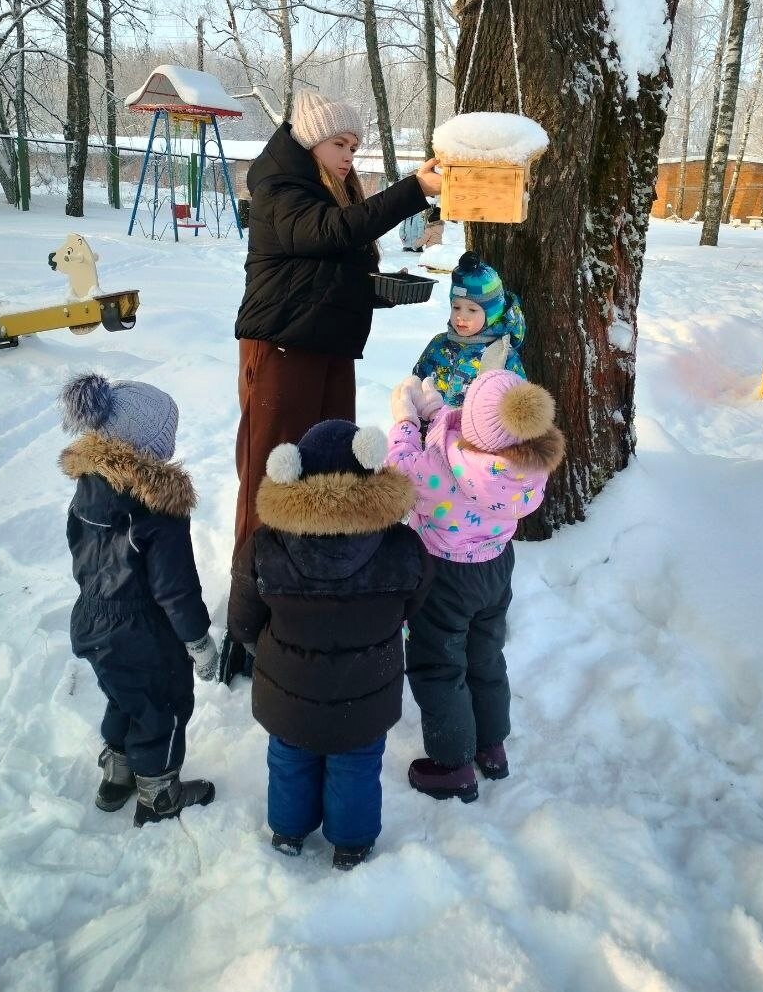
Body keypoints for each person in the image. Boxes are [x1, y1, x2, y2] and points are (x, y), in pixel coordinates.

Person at [225, 91, 441, 681]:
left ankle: (311, 588)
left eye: (353, 146)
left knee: (328, 470)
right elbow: (326, 234)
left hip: (328, 350)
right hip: (281, 350)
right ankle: (249, 611)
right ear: (310, 139)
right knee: (270, 475)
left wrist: (378, 290)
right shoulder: (281, 184)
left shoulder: (327, 188)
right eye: (340, 144)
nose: (348, 156)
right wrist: (413, 190)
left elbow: (324, 268)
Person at [227, 419, 433, 869]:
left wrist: (257, 644)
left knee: (290, 759)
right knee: (356, 763)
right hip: (367, 691)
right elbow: (414, 600)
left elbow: (242, 618)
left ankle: (288, 831)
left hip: (289, 691)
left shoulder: (265, 546)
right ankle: (351, 844)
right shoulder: (402, 546)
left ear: (294, 472)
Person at [386, 368, 564, 802]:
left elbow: (399, 472)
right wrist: (437, 412)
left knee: (439, 664)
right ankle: (491, 747)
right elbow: (475, 437)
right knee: (485, 656)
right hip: (496, 568)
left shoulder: (443, 467)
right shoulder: (527, 467)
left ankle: (454, 766)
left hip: (444, 576)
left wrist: (406, 423)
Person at [59, 373, 218, 827]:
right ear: (147, 446)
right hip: (142, 630)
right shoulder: (156, 507)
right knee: (163, 705)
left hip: (92, 619)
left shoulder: (87, 490)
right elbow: (175, 587)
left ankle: (118, 774)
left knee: (123, 695)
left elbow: (79, 551)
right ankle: (160, 792)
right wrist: (197, 640)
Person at [412, 251, 527, 407]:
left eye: (472, 310)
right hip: (432, 421)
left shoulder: (502, 356)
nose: (461, 316)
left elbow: (517, 408)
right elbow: (417, 383)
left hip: (475, 423)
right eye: (456, 307)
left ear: (492, 314)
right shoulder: (438, 344)